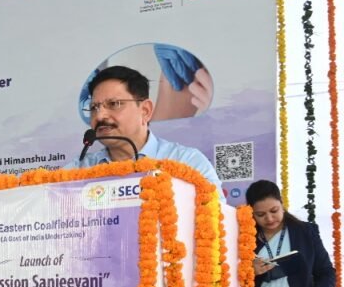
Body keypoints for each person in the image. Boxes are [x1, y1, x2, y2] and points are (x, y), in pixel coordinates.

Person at [63, 65, 224, 202]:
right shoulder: (79, 171)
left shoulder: (188, 162)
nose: (100, 116)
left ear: (145, 111)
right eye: (94, 108)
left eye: (113, 104)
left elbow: (216, 218)